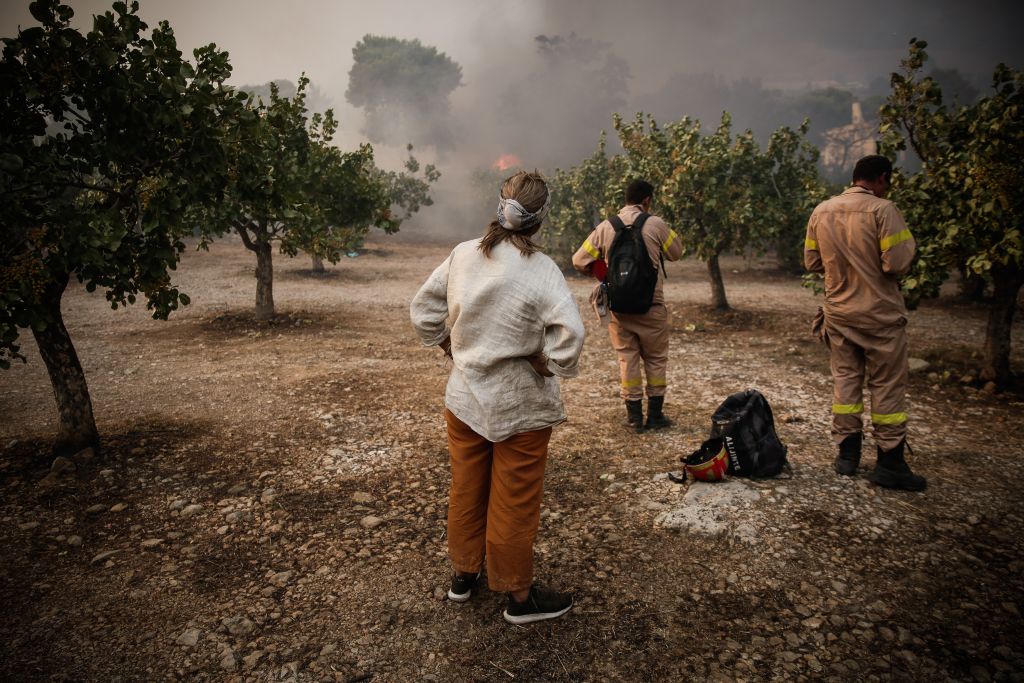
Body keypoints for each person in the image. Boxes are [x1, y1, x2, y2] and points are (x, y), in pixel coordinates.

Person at [410, 170, 586, 624]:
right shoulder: (542, 270)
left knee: (467, 487)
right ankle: (519, 598)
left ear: (500, 206)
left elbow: (423, 310)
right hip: (520, 408)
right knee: (514, 499)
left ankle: (464, 575)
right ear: (540, 218)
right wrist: (546, 363)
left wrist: (450, 348)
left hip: (464, 400)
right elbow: (571, 337)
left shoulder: (463, 254)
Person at [804, 154, 926, 491]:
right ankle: (890, 462)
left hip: (839, 314)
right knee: (886, 386)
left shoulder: (822, 210)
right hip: (879, 316)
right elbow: (896, 264)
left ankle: (847, 455)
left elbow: (811, 261)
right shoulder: (884, 211)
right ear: (882, 178)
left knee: (846, 381)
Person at [571, 179, 683, 431]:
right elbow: (676, 253)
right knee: (656, 359)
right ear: (647, 200)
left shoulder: (606, 226)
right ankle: (655, 416)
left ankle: (634, 418)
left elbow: (578, 259)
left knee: (627, 358)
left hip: (619, 308)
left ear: (626, 199)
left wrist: (602, 272)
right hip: (652, 306)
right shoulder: (656, 224)